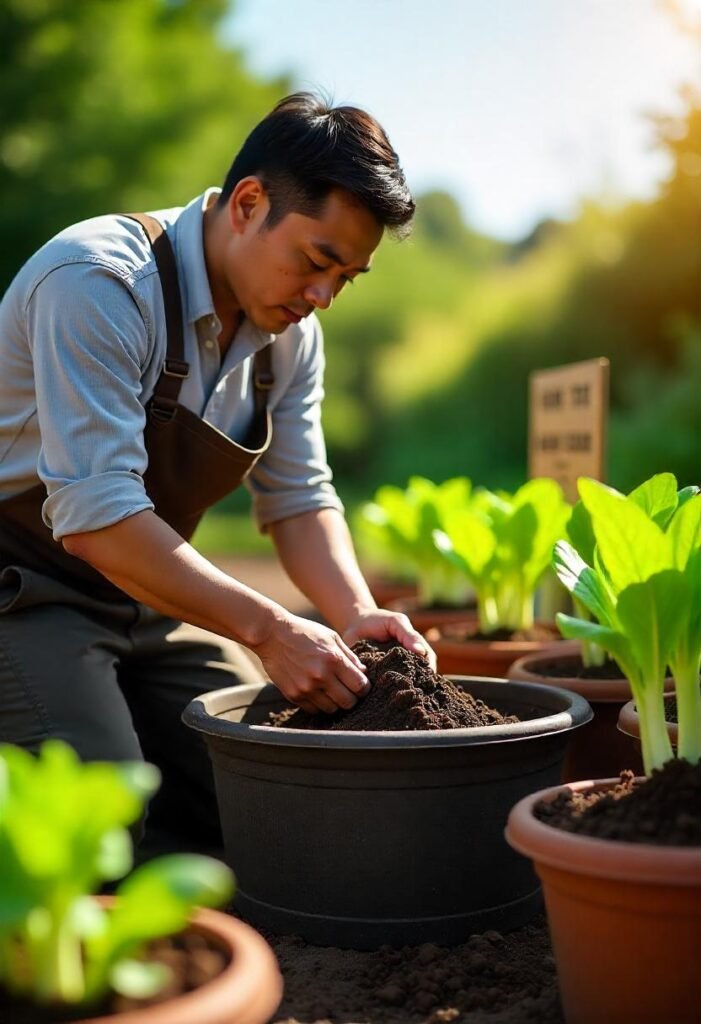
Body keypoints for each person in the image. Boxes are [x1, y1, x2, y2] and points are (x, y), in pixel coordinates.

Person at [0, 92, 434, 856]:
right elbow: (98, 514)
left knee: (259, 775)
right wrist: (267, 628)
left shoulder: (288, 336)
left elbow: (298, 498)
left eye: (347, 279)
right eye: (316, 261)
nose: (322, 297)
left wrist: (355, 615)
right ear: (248, 202)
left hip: (152, 596)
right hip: (25, 591)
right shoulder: (97, 282)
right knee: (97, 821)